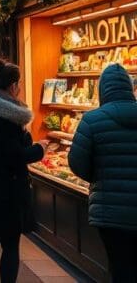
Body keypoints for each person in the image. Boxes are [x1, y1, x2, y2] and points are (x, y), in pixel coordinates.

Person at [0, 59, 47, 283]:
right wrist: (39, 149)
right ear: (13, 86)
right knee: (10, 245)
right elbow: (17, 156)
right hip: (8, 190)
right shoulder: (9, 119)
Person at [68, 64, 137, 282]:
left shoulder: (92, 120)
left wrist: (100, 177)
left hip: (109, 212)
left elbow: (76, 163)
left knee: (119, 267)